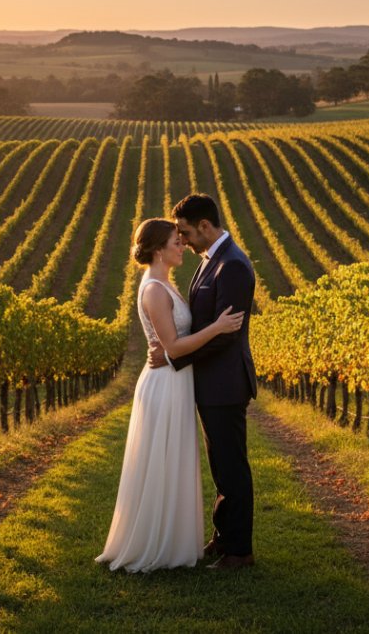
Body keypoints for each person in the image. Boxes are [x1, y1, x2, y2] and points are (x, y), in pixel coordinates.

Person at [96, 218, 244, 573]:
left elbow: (171, 345)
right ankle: (156, 544)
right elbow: (174, 347)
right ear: (159, 250)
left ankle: (173, 540)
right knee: (162, 459)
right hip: (164, 383)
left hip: (176, 381)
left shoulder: (165, 284)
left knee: (174, 457)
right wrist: (218, 328)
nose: (183, 246)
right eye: (176, 242)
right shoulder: (153, 290)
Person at [149, 194, 257, 570]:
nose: (185, 241)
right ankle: (224, 537)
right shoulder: (212, 261)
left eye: (186, 232)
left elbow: (226, 335)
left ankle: (240, 551)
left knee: (232, 468)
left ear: (206, 227)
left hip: (225, 384)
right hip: (210, 383)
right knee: (220, 467)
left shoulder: (234, 267)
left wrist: (175, 355)